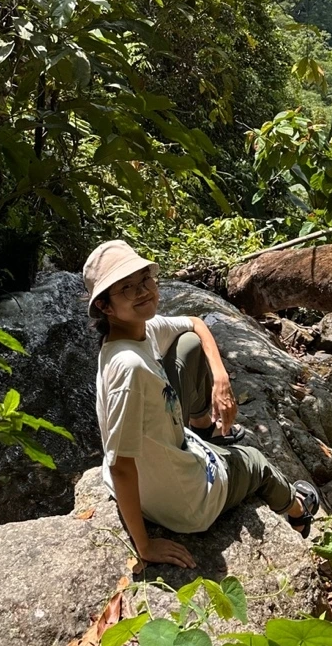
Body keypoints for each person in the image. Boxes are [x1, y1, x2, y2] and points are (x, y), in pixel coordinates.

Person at [84, 238, 320, 569]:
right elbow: (120, 465)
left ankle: (202, 426)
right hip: (185, 503)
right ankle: (298, 511)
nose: (143, 291)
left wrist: (220, 379)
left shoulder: (136, 333)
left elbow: (196, 323)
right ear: (105, 307)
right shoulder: (130, 368)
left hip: (160, 467)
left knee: (188, 344)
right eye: (127, 288)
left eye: (145, 279)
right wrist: (144, 545)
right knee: (256, 462)